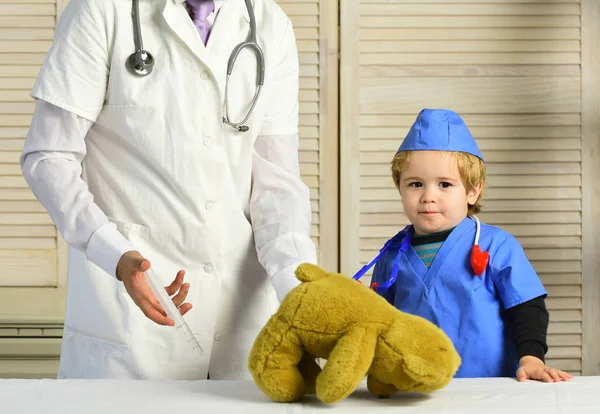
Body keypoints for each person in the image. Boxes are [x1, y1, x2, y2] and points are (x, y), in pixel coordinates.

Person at [20, 0, 317, 380]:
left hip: (243, 322)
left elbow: (277, 183)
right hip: (131, 325)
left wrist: (299, 284)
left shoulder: (269, 23)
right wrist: (114, 252)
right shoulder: (101, 10)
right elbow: (49, 156)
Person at [366, 109, 573, 382]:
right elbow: (378, 321)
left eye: (445, 184)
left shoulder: (496, 245)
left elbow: (527, 307)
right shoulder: (392, 254)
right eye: (415, 184)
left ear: (472, 191)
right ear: (400, 189)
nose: (428, 196)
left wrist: (531, 359)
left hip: (489, 387)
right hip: (413, 388)